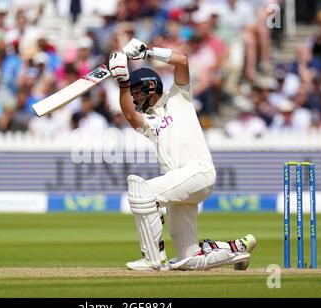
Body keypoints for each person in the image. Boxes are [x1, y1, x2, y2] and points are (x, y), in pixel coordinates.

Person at [108, 38, 256, 271]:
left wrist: (147, 52)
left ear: (150, 86)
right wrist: (123, 83)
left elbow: (182, 61)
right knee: (190, 259)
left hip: (198, 171)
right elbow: (129, 114)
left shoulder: (179, 97)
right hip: (180, 182)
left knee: (142, 191)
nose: (135, 99)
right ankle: (237, 250)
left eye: (136, 92)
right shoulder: (149, 121)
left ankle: (152, 258)